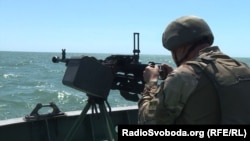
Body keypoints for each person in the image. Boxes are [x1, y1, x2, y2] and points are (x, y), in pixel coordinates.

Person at [138, 15, 250, 124]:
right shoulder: (243, 68)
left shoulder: (183, 76)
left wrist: (151, 83)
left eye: (172, 51)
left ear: (180, 47)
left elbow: (148, 121)